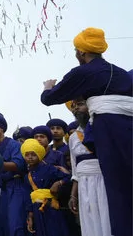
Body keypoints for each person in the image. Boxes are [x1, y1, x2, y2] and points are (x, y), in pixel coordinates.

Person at [40, 27, 132, 236]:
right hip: (128, 130)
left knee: (117, 193)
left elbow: (49, 98)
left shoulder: (83, 72)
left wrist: (47, 86)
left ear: (81, 52)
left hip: (108, 132)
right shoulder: (119, 73)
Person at [68, 98, 111, 236]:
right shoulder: (73, 137)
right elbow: (75, 169)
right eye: (73, 107)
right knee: (89, 220)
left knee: (107, 217)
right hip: (84, 185)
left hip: (105, 180)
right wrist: (73, 195)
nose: (76, 109)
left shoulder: (104, 127)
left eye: (80, 105)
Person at [21, 139, 71, 236]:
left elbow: (68, 177)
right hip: (37, 210)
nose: (30, 157)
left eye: (33, 154)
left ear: (39, 154)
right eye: (27, 155)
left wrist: (58, 183)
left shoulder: (50, 169)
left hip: (51, 207)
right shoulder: (27, 176)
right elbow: (28, 196)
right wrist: (30, 216)